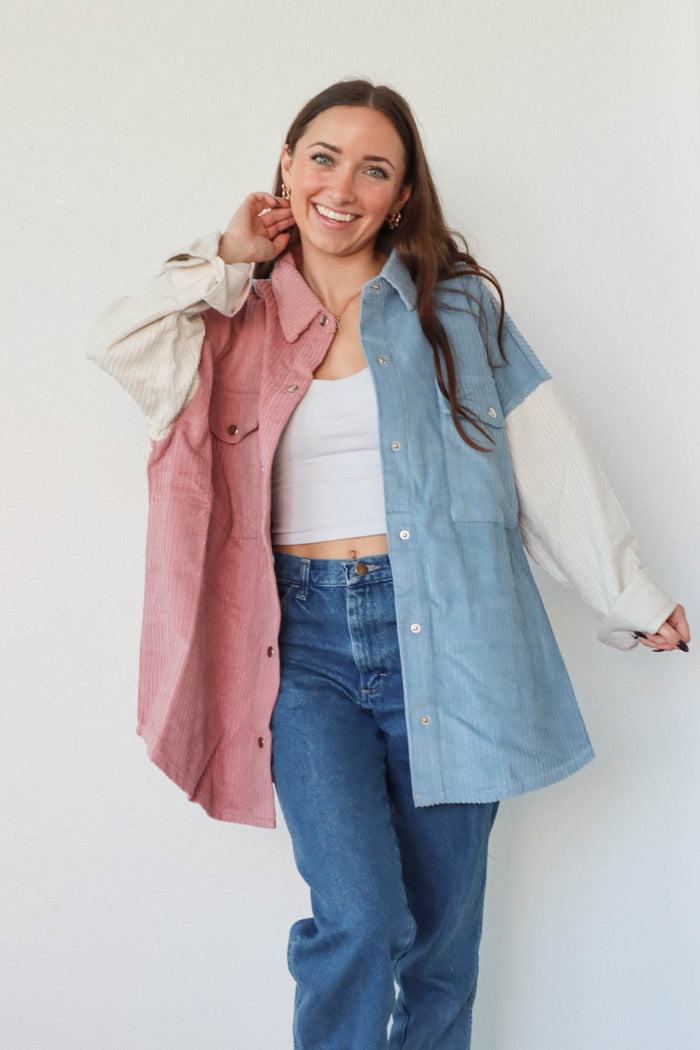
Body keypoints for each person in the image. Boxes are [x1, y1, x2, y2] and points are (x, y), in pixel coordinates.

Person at [87, 78, 690, 1050]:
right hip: (303, 653)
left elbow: (545, 456)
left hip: (449, 642)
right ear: (285, 166)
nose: (342, 185)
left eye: (375, 168)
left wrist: (630, 594)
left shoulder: (457, 313)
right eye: (322, 156)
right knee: (360, 919)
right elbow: (115, 342)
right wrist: (223, 256)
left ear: (402, 196)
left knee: (441, 950)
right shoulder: (223, 321)